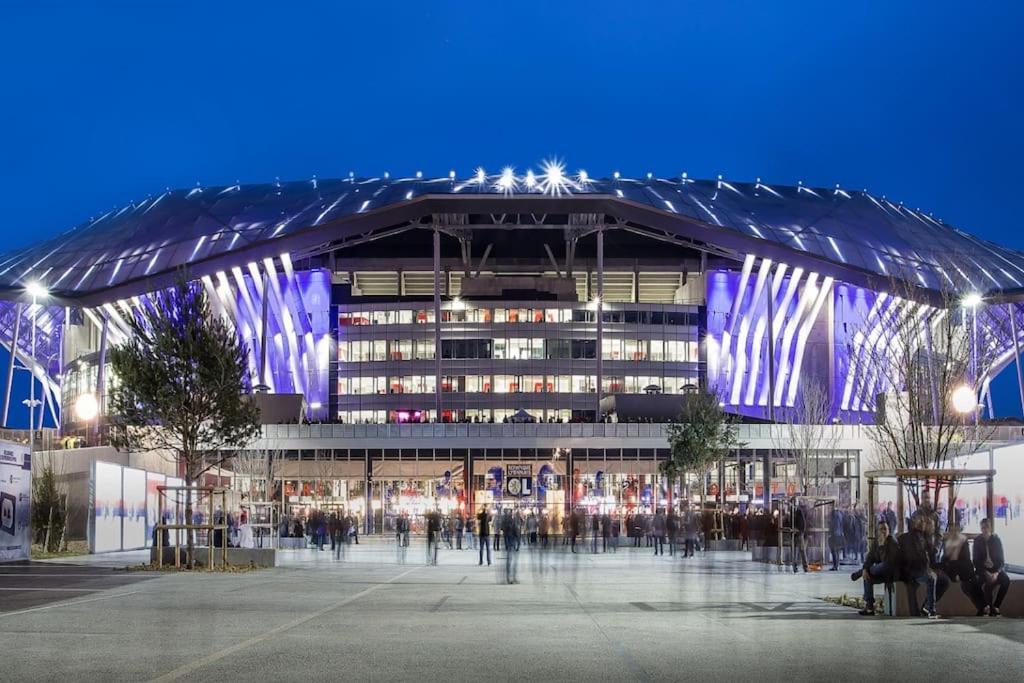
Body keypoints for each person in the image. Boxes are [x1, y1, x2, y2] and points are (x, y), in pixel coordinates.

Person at [854, 520, 901, 615]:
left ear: (888, 530)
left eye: (885, 529)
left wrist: (882, 546)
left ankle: (861, 572)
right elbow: (869, 558)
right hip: (880, 572)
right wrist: (865, 569)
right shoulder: (876, 542)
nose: (883, 531)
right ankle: (869, 607)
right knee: (867, 577)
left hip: (892, 573)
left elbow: (889, 562)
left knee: (882, 565)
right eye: (881, 529)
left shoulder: (892, 542)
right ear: (877, 531)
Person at [941, 523, 985, 615]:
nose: (954, 533)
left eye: (955, 530)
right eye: (951, 530)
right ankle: (983, 607)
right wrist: (955, 573)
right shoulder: (947, 542)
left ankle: (984, 607)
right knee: (968, 584)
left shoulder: (963, 541)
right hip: (951, 570)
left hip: (964, 569)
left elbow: (966, 559)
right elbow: (945, 560)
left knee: (973, 583)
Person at [900, 515, 938, 618]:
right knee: (932, 578)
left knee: (941, 579)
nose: (922, 523)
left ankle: (925, 607)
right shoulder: (915, 536)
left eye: (923, 521)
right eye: (920, 521)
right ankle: (931, 609)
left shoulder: (923, 536)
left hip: (914, 569)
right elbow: (918, 556)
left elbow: (932, 554)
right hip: (914, 570)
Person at [973, 518, 1011, 617]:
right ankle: (985, 607)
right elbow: (976, 561)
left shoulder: (996, 540)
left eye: (986, 527)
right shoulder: (977, 541)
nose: (984, 530)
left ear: (990, 528)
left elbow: (1002, 561)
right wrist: (986, 573)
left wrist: (996, 573)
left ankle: (996, 606)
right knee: (976, 584)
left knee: (1006, 580)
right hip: (982, 569)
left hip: (995, 569)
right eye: (982, 528)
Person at [791, 504, 808, 573]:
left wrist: (797, 530)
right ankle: (803, 567)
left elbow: (802, 526)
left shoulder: (798, 514)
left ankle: (799, 566)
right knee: (801, 551)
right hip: (800, 534)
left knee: (799, 551)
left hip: (799, 535)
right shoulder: (802, 513)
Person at [829, 506, 845, 571]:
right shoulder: (840, 515)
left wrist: (830, 533)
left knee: (834, 550)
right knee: (837, 551)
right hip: (840, 534)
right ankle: (837, 565)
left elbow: (833, 525)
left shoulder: (834, 515)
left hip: (835, 535)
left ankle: (835, 566)